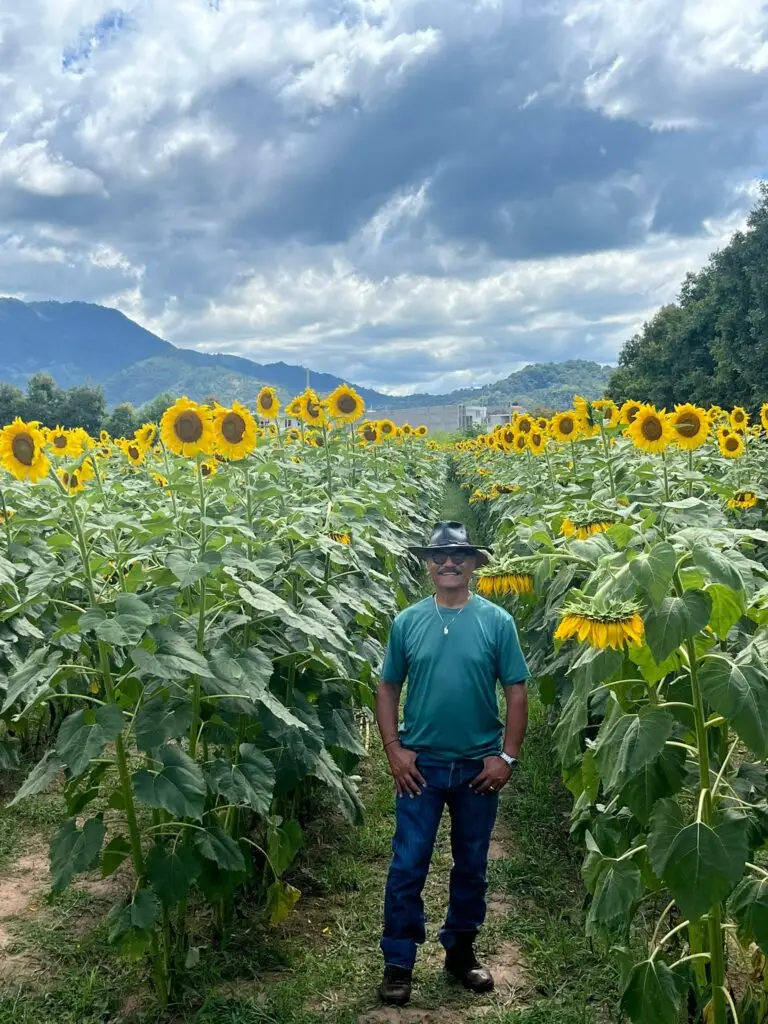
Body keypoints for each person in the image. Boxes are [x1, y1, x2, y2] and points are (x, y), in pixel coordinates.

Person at [375, 521, 529, 1007]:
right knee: (407, 863)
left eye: (459, 556)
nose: (448, 563)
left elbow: (517, 689)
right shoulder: (408, 621)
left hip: (476, 771)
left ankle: (460, 951)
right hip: (420, 766)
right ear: (427, 564)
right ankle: (398, 961)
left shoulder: (496, 621)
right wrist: (393, 748)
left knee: (472, 864)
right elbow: (387, 686)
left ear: (474, 565)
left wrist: (507, 756)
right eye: (440, 556)